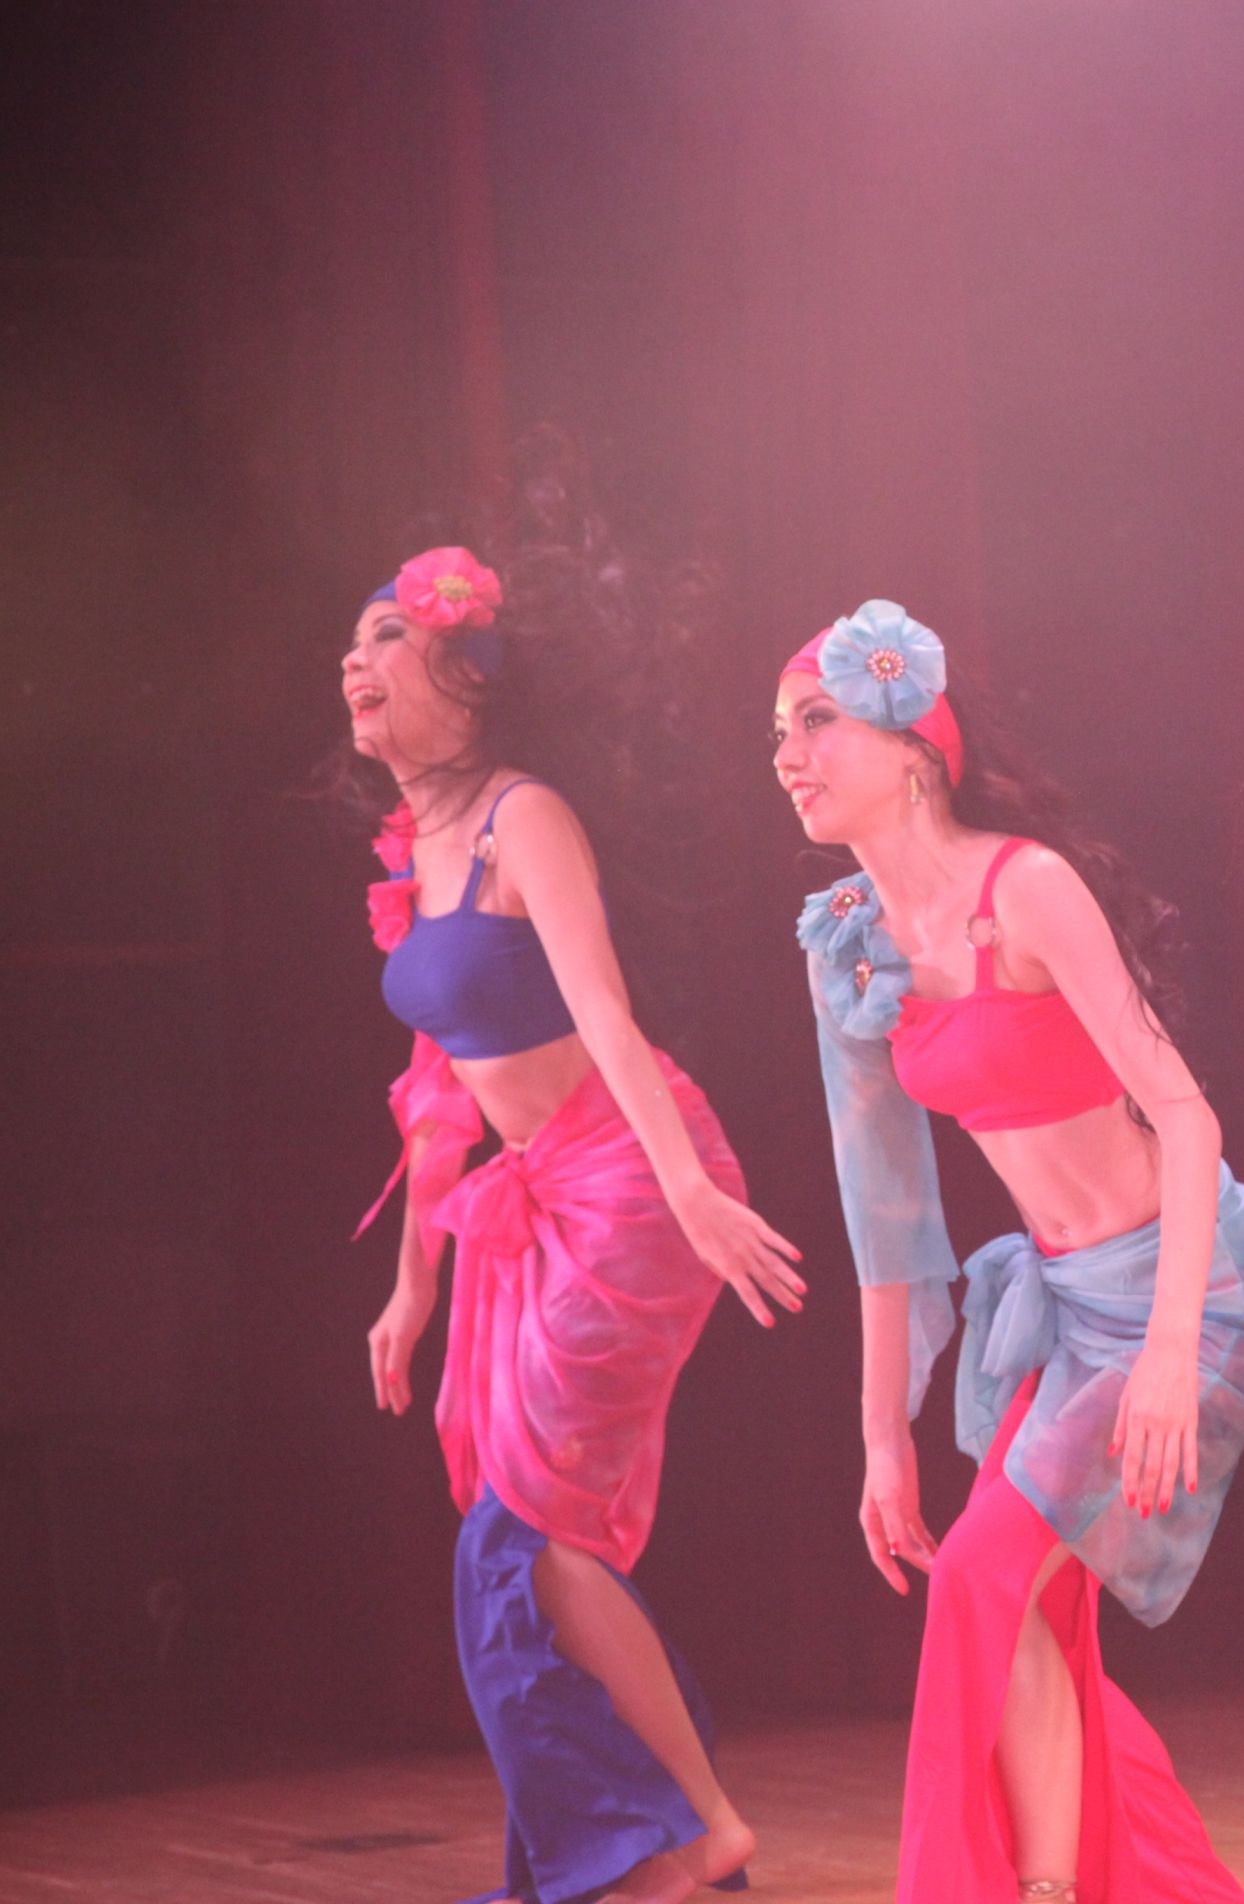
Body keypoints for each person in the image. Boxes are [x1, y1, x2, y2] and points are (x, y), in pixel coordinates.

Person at [774, 602, 1244, 1903]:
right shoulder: (852, 939)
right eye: (778, 732)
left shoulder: (1026, 888)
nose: (787, 754)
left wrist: (1169, 1352)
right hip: (1066, 1307)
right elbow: (886, 1212)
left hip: (1199, 1286)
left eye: (816, 720)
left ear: (917, 745)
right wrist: (882, 1437)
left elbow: (1188, 1116)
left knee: (982, 1576)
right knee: (1015, 1602)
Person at [344, 519, 800, 1903]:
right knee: (530, 1540)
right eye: (350, 644)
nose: (355, 661)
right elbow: (438, 1085)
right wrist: (414, 1281)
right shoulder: (415, 846)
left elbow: (605, 1013)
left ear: (466, 674)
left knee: (526, 1530)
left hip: (630, 1178)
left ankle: (696, 1828)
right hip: (538, 1196)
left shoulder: (521, 816)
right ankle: (639, 1844)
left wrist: (689, 1191)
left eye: (385, 635)